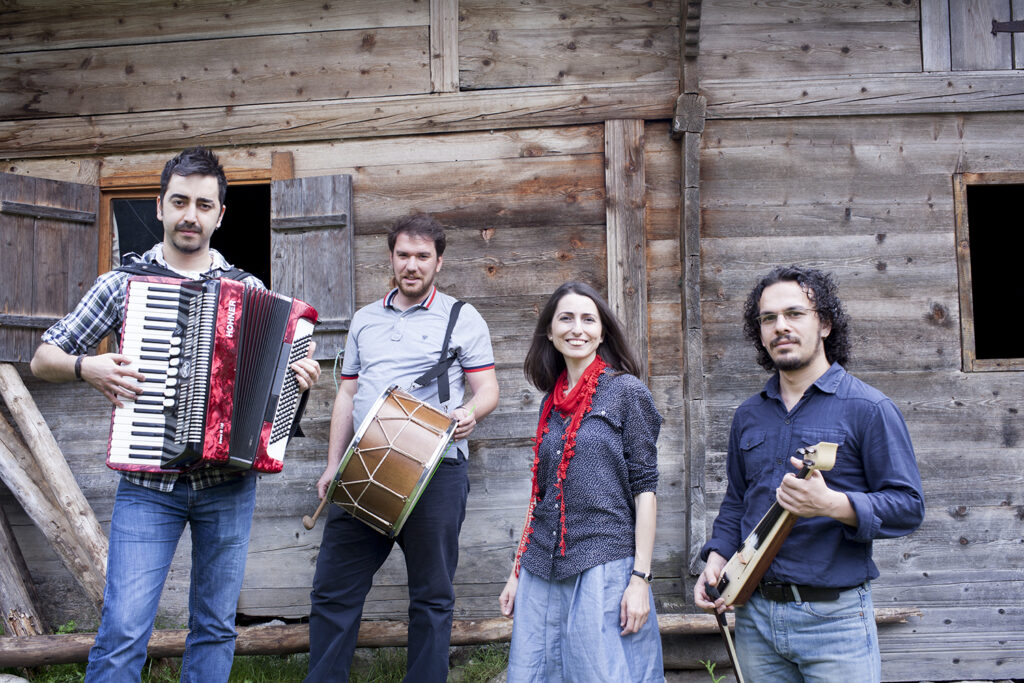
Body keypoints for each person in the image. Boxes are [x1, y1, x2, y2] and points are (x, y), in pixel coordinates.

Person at [29, 146, 321, 683]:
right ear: (160, 207)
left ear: (219, 215)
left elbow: (268, 399)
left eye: (204, 205)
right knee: (124, 628)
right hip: (148, 485)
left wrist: (296, 382)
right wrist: (86, 367)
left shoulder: (249, 289)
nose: (191, 214)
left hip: (228, 486)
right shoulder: (123, 283)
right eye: (180, 201)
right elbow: (43, 355)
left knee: (214, 626)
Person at [693, 265, 925, 682]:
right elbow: (737, 501)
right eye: (768, 318)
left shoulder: (868, 409)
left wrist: (833, 504)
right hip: (754, 618)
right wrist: (717, 557)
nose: (780, 326)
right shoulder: (749, 415)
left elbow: (908, 506)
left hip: (834, 622)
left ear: (825, 324)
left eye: (795, 314)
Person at [306, 213, 500, 683]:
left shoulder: (462, 317)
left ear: (439, 262)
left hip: (437, 471)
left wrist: (471, 413)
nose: (411, 265)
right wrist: (334, 464)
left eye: (422, 256)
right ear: (391, 258)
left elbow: (488, 388)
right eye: (403, 255)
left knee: (432, 596)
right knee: (334, 590)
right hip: (364, 466)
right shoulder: (364, 320)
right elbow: (347, 396)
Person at [498, 281, 664, 682]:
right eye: (566, 319)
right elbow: (540, 493)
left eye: (588, 319)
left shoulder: (626, 392)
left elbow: (646, 490)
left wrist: (640, 580)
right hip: (541, 566)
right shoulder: (550, 402)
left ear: (602, 332)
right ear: (550, 334)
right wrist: (517, 570)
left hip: (602, 563)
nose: (578, 328)